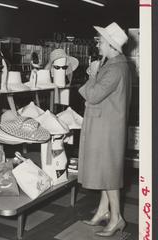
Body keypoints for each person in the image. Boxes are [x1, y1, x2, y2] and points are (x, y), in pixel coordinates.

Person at [78, 22, 132, 237]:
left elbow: (93, 95)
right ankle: (103, 210)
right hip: (106, 125)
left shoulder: (116, 67)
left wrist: (92, 74)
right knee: (104, 169)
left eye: (100, 41)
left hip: (107, 129)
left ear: (110, 44)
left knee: (108, 173)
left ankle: (117, 217)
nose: (97, 44)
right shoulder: (114, 64)